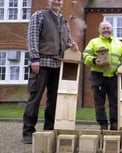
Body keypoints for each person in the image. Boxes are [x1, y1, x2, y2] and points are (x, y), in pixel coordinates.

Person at [22, 0, 79, 144]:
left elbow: (66, 41)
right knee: (35, 98)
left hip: (58, 64)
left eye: (59, 0)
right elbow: (32, 37)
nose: (57, 1)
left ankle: (49, 130)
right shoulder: (39, 15)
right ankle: (28, 132)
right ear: (49, 1)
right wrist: (34, 58)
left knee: (54, 100)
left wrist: (71, 44)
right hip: (41, 63)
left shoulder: (63, 20)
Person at [83, 21, 122, 130]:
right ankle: (102, 124)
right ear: (99, 30)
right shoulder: (93, 42)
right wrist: (94, 60)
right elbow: (85, 55)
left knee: (115, 101)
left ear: (111, 29)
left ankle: (114, 123)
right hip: (98, 75)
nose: (106, 30)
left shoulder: (119, 43)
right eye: (103, 28)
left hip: (114, 76)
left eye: (108, 28)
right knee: (99, 103)